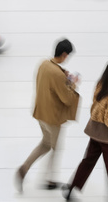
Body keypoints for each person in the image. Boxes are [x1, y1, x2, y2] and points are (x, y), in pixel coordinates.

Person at [15, 39, 80, 193]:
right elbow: (67, 98)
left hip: (41, 113)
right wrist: (73, 83)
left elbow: (51, 81)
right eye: (68, 55)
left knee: (45, 144)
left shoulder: (43, 64)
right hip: (53, 117)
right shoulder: (57, 74)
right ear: (64, 54)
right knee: (56, 147)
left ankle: (24, 169)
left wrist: (63, 75)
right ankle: (50, 180)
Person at [63, 61, 108, 201]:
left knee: (87, 161)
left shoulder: (100, 84)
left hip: (95, 131)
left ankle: (71, 188)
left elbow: (99, 109)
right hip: (107, 137)